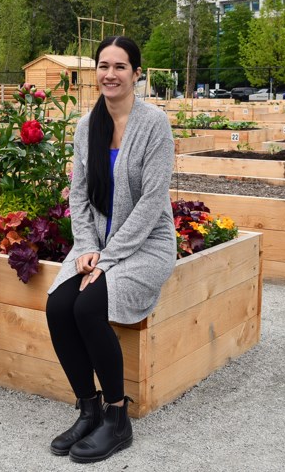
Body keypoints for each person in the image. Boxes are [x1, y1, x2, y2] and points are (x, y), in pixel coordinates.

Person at [45, 36, 176, 462]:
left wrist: (109, 257)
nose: (110, 74)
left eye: (121, 66)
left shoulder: (154, 124)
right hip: (97, 245)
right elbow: (78, 196)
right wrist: (85, 247)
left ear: (137, 73)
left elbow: (153, 201)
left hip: (146, 244)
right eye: (104, 65)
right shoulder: (88, 126)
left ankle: (117, 417)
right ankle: (87, 407)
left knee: (88, 307)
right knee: (58, 306)